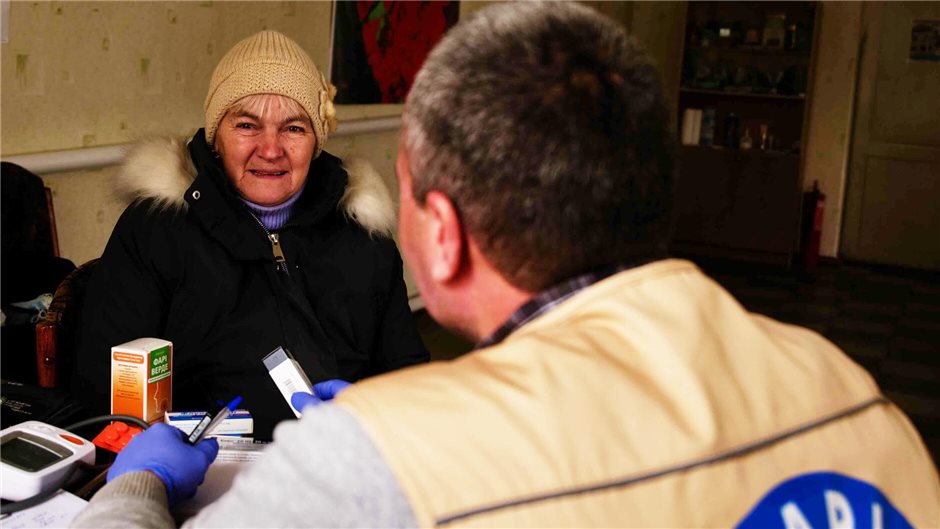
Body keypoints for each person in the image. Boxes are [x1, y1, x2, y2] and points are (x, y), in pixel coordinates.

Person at [72, 3, 939, 528]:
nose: (269, 147)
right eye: (246, 126)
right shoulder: (856, 388)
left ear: (440, 234)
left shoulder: (388, 458)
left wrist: (142, 482)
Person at [71, 30, 428, 440]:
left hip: (342, 468)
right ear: (216, 137)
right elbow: (103, 388)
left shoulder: (363, 236)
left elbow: (409, 376)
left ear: (315, 142)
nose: (270, 149)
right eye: (246, 125)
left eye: (294, 128)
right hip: (200, 474)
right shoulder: (156, 229)